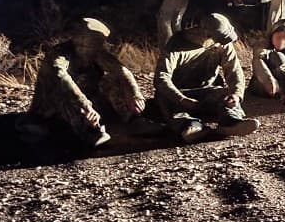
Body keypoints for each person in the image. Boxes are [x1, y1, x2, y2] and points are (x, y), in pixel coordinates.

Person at [19, 18, 148, 147]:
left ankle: (134, 119)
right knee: (65, 94)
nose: (98, 47)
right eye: (93, 43)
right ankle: (91, 131)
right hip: (53, 108)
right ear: (79, 41)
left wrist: (134, 94)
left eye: (99, 43)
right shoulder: (59, 55)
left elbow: (121, 71)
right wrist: (85, 104)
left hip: (89, 103)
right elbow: (62, 78)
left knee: (112, 81)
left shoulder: (95, 53)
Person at [155, 13, 260, 143]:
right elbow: (161, 77)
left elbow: (234, 71)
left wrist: (236, 94)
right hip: (180, 94)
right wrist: (181, 99)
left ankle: (231, 122)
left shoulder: (222, 43)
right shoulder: (177, 45)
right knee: (165, 100)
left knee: (226, 95)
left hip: (207, 90)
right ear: (206, 33)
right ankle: (191, 127)